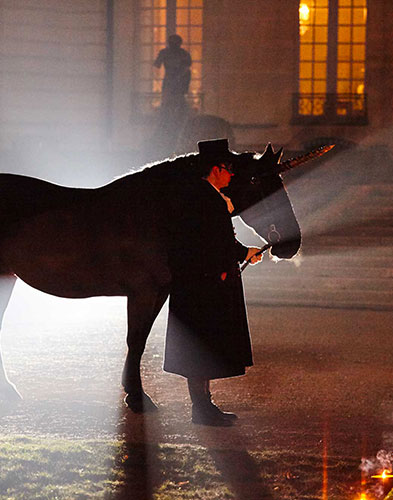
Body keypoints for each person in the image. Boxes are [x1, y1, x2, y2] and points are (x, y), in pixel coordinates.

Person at [164, 139, 263, 426]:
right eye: (228, 169)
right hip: (201, 286)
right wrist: (243, 252)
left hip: (200, 283)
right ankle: (202, 409)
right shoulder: (205, 199)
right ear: (216, 169)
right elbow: (211, 242)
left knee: (201, 350)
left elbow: (217, 240)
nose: (232, 175)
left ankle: (203, 407)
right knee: (199, 349)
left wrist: (243, 252)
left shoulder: (203, 196)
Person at [154, 34, 192, 109]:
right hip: (174, 81)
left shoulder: (182, 54)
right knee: (170, 103)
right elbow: (156, 66)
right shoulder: (183, 54)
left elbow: (187, 69)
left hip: (177, 82)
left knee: (176, 103)